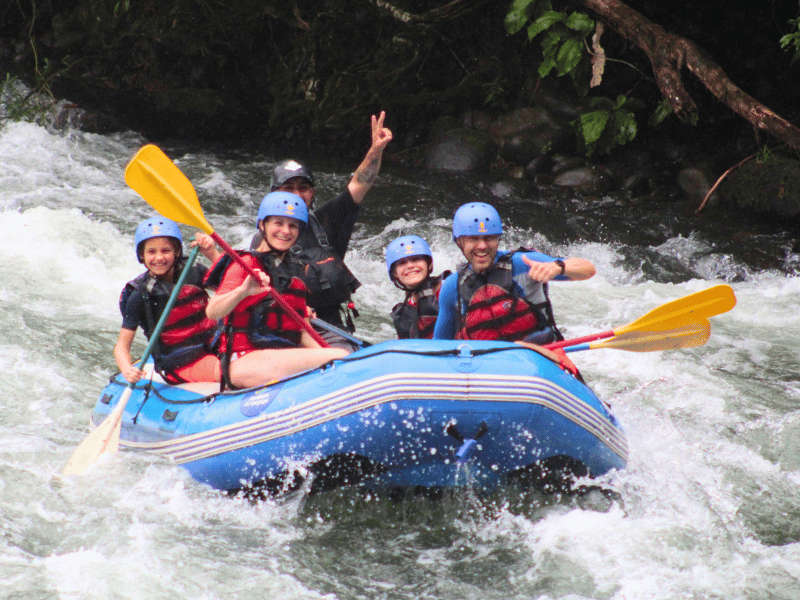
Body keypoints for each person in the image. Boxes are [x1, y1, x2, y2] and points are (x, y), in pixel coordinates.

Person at [251, 111, 393, 348]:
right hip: (286, 323)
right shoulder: (264, 237)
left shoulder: (327, 220)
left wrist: (375, 151)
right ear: (274, 194)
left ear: (312, 192)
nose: (297, 195)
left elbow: (361, 182)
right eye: (289, 188)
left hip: (329, 326)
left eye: (303, 188)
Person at [206, 191, 349, 389]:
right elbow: (213, 311)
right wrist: (244, 291)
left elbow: (303, 331)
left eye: (293, 225)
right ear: (263, 225)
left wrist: (333, 362)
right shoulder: (246, 264)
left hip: (281, 357)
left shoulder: (296, 271)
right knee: (340, 355)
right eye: (278, 223)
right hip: (243, 361)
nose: (286, 231)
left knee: (340, 359)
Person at [432, 202, 596, 346]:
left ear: (498, 239)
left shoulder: (523, 263)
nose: (482, 246)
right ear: (459, 242)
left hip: (540, 357)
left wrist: (558, 267)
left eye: (489, 238)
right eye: (473, 239)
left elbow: (588, 269)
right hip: (487, 367)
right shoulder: (452, 287)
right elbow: (439, 347)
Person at [115, 217, 223, 385]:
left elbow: (232, 286)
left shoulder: (193, 271)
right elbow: (122, 346)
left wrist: (212, 253)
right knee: (231, 372)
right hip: (181, 363)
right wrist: (128, 369)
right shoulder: (140, 294)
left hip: (215, 345)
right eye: (151, 252)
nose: (159, 257)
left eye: (166, 250)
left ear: (177, 252)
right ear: (141, 256)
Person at [385, 235, 451, 339]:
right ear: (395, 273)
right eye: (402, 263)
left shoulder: (449, 288)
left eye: (416, 260)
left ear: (428, 264)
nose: (410, 266)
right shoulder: (406, 309)